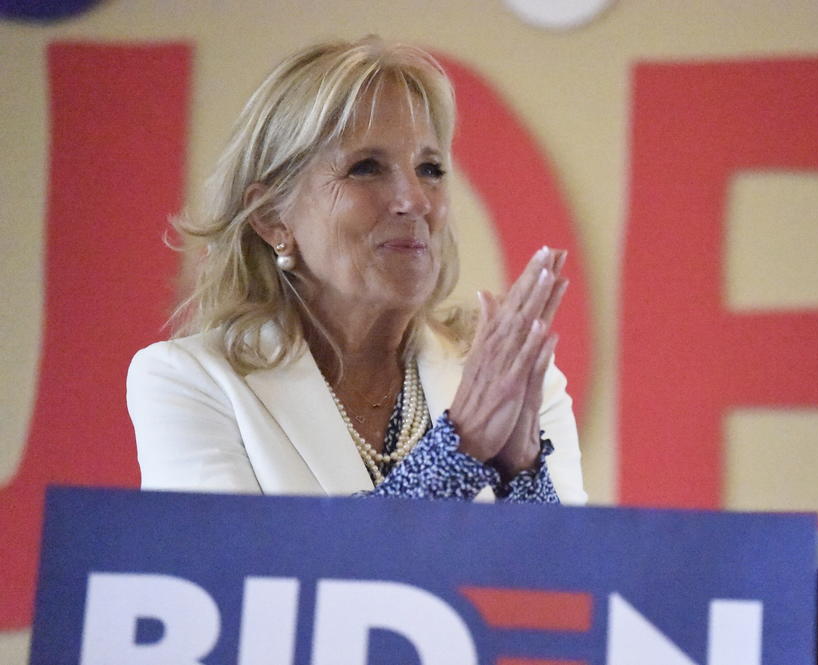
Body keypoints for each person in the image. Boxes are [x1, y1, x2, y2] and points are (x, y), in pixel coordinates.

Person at [126, 37, 587, 505]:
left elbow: (570, 573)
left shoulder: (507, 384)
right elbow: (236, 572)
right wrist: (459, 448)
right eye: (366, 168)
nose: (415, 201)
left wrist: (524, 476)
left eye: (430, 169)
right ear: (271, 218)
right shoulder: (190, 381)